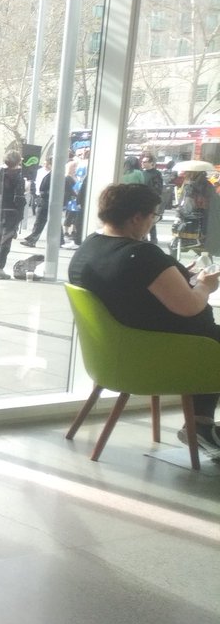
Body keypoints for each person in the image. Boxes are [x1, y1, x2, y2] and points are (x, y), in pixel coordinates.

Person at [68, 183, 220, 461]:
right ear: (136, 217)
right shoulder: (142, 255)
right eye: (153, 215)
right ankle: (200, 424)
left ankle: (201, 424)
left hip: (118, 355)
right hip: (158, 355)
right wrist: (205, 286)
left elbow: (129, 290)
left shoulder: (89, 248)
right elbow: (189, 307)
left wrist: (175, 277)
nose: (153, 221)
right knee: (213, 343)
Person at [0, 150, 27, 279]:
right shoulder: (18, 177)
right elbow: (19, 198)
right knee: (6, 242)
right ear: (18, 161)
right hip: (11, 212)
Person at [19, 155, 55, 247]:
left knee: (40, 221)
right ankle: (32, 238)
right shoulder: (46, 173)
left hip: (46, 199)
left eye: (48, 164)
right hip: (43, 198)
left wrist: (42, 194)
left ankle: (32, 239)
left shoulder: (53, 174)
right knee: (45, 221)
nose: (46, 165)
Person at [138, 152, 164, 244]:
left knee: (150, 219)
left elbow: (158, 188)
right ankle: (144, 237)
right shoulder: (141, 173)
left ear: (151, 163)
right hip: (142, 199)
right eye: (142, 161)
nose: (142, 163)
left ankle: (153, 239)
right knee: (144, 218)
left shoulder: (156, 174)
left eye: (145, 162)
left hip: (152, 200)